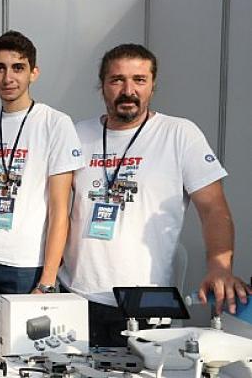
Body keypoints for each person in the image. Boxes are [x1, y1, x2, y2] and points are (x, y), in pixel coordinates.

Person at [60, 43, 252, 346]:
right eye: (117, 80)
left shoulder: (180, 134)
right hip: (75, 295)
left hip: (145, 302)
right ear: (102, 85)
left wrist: (220, 267)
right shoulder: (76, 135)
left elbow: (213, 208)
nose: (128, 90)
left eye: (139, 80)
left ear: (153, 85)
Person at [0, 31, 83, 300]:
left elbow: (60, 210)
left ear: (34, 73)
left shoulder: (55, 123)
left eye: (18, 68)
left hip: (27, 265)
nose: (8, 78)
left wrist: (47, 280)